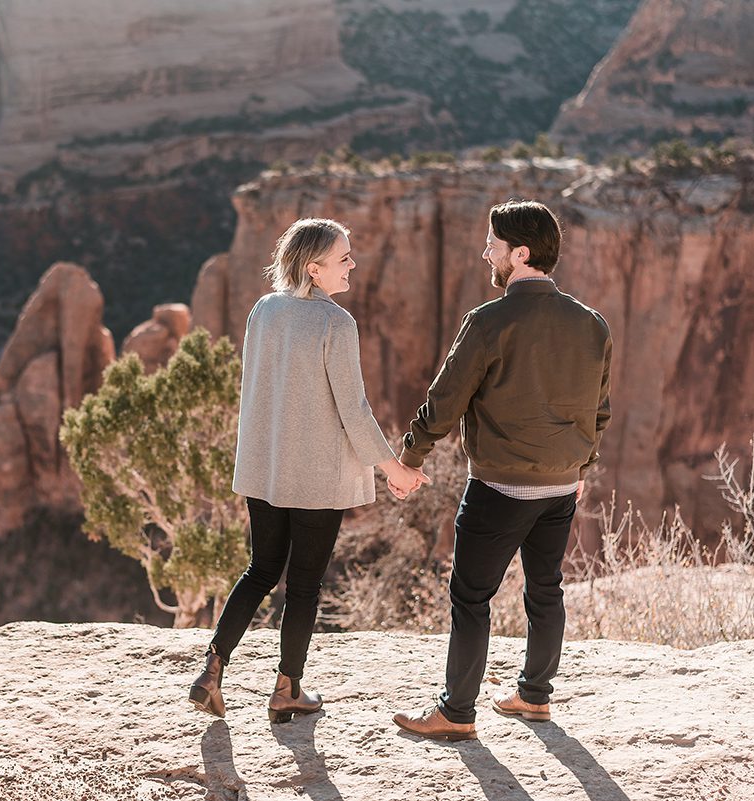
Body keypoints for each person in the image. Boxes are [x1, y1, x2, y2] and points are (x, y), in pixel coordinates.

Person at [189, 217, 429, 724]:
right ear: (313, 268)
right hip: (318, 477)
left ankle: (213, 668)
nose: (352, 265)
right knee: (303, 584)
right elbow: (354, 409)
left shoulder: (264, 310)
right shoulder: (335, 323)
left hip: (267, 468)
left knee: (260, 570)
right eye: (343, 258)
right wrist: (394, 469)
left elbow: (257, 387)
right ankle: (287, 689)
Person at [391, 199, 612, 741]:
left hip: (499, 487)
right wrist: (582, 464)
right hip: (561, 485)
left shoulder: (488, 322)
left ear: (520, 253)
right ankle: (534, 697)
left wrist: (408, 460)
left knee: (470, 596)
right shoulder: (591, 324)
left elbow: (444, 402)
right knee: (545, 590)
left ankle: (456, 712)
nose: (485, 252)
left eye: (492, 245)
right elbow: (599, 409)